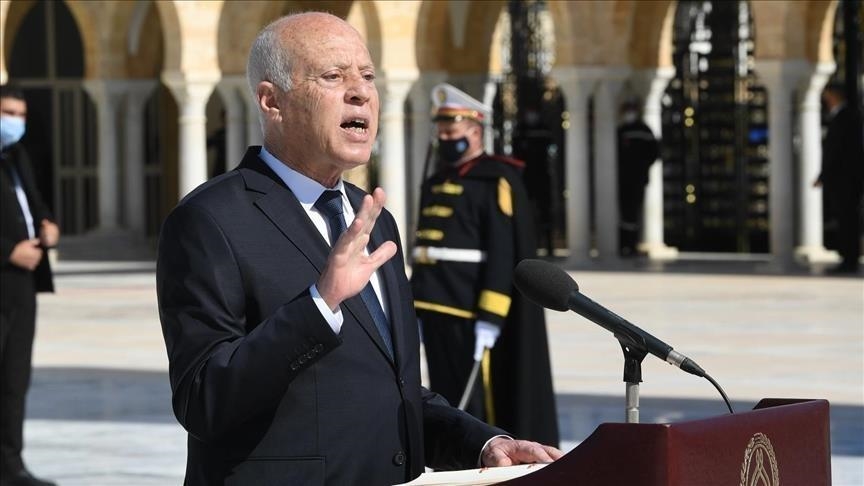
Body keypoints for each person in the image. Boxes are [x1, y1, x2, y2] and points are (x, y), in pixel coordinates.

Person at [156, 13, 561, 486]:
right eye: (333, 76)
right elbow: (203, 399)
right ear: (272, 101)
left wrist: (482, 444)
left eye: (368, 76)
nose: (361, 93)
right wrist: (320, 304)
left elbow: (388, 390)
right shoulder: (210, 220)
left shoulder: (373, 218)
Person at [410, 83, 559, 446]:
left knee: (478, 399)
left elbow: (502, 252)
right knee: (444, 391)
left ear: (475, 132)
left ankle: (484, 452)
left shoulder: (496, 180)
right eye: (442, 131)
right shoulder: (437, 179)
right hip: (433, 303)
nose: (446, 138)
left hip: (470, 306)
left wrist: (491, 316)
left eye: (453, 131)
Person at [0, 84, 59, 486]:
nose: (14, 122)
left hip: (22, 286)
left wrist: (47, 225)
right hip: (5, 271)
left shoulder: (17, 156)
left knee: (14, 379)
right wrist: (7, 252)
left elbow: (31, 205)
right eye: (7, 113)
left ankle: (10, 467)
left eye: (20, 115)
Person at [813, 83, 863, 274]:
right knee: (845, 220)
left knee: (847, 220)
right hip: (845, 180)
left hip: (846, 181)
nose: (825, 99)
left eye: (827, 95)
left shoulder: (846, 117)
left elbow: (836, 152)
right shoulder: (845, 117)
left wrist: (823, 175)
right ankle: (848, 258)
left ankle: (849, 260)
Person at [616, 99, 660, 257]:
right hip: (628, 178)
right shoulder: (625, 130)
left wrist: (641, 166)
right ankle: (627, 244)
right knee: (628, 212)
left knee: (631, 212)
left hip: (634, 178)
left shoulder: (638, 130)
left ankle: (629, 244)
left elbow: (654, 152)